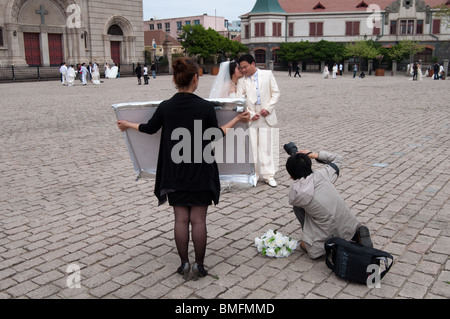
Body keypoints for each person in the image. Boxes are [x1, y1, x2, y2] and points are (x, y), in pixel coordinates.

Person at [117, 57, 250, 281]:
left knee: (180, 219)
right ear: (196, 79)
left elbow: (150, 128)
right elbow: (215, 135)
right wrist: (235, 119)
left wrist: (128, 124)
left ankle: (184, 263)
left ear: (174, 80)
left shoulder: (166, 107)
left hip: (174, 172)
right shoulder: (205, 107)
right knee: (198, 220)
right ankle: (200, 264)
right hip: (200, 170)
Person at [286, 149, 373, 259]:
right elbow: (338, 159)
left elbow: (294, 200)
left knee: (303, 242)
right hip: (349, 225)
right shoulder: (323, 174)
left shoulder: (295, 192)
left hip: (328, 233)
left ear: (291, 176)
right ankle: (355, 233)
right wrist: (315, 155)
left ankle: (320, 241)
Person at [237, 54, 280, 188]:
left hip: (266, 113)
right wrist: (250, 114)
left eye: (245, 67)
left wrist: (268, 108)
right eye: (241, 68)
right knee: (253, 147)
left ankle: (268, 175)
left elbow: (276, 93)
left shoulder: (267, 74)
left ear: (253, 64)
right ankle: (254, 174)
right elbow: (240, 99)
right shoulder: (241, 81)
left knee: (266, 146)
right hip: (252, 115)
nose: (243, 70)